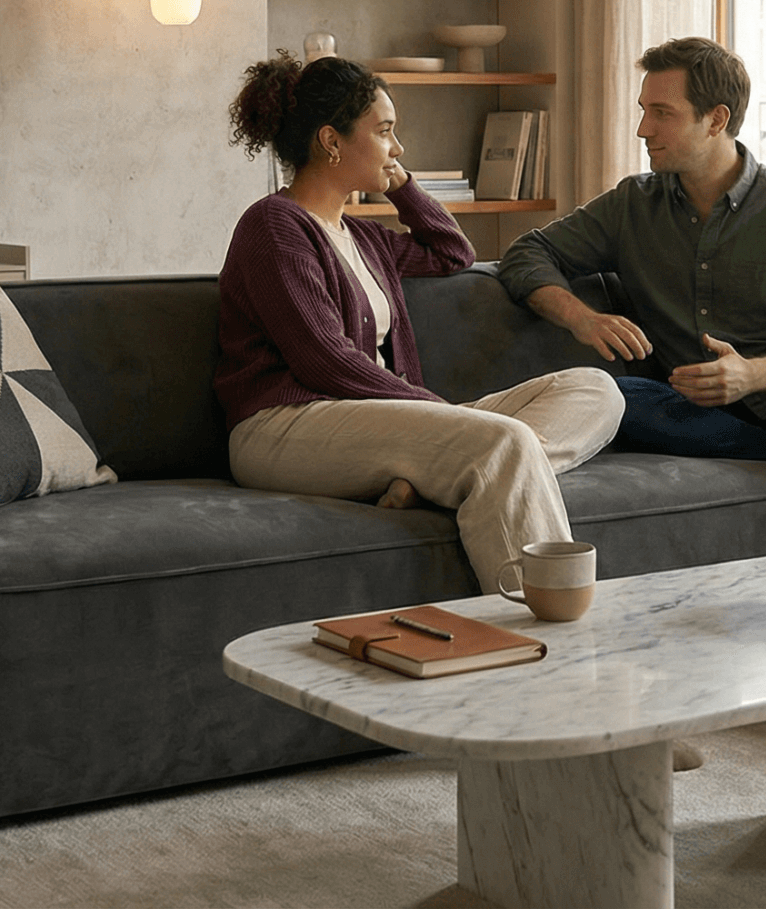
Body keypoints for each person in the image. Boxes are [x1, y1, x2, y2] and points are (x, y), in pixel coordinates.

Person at [215, 53, 624, 590]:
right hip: (282, 427)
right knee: (500, 444)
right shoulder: (274, 226)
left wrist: (401, 185)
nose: (397, 147)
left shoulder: (363, 237)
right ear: (331, 141)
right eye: (385, 132)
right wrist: (442, 414)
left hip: (376, 417)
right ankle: (541, 625)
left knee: (597, 391)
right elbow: (326, 361)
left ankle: (434, 477)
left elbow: (452, 251)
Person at [496, 37, 766, 533]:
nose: (642, 129)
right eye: (642, 111)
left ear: (715, 120)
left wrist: (751, 375)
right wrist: (582, 317)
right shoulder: (633, 204)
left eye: (661, 113)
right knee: (602, 394)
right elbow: (527, 253)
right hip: (685, 408)